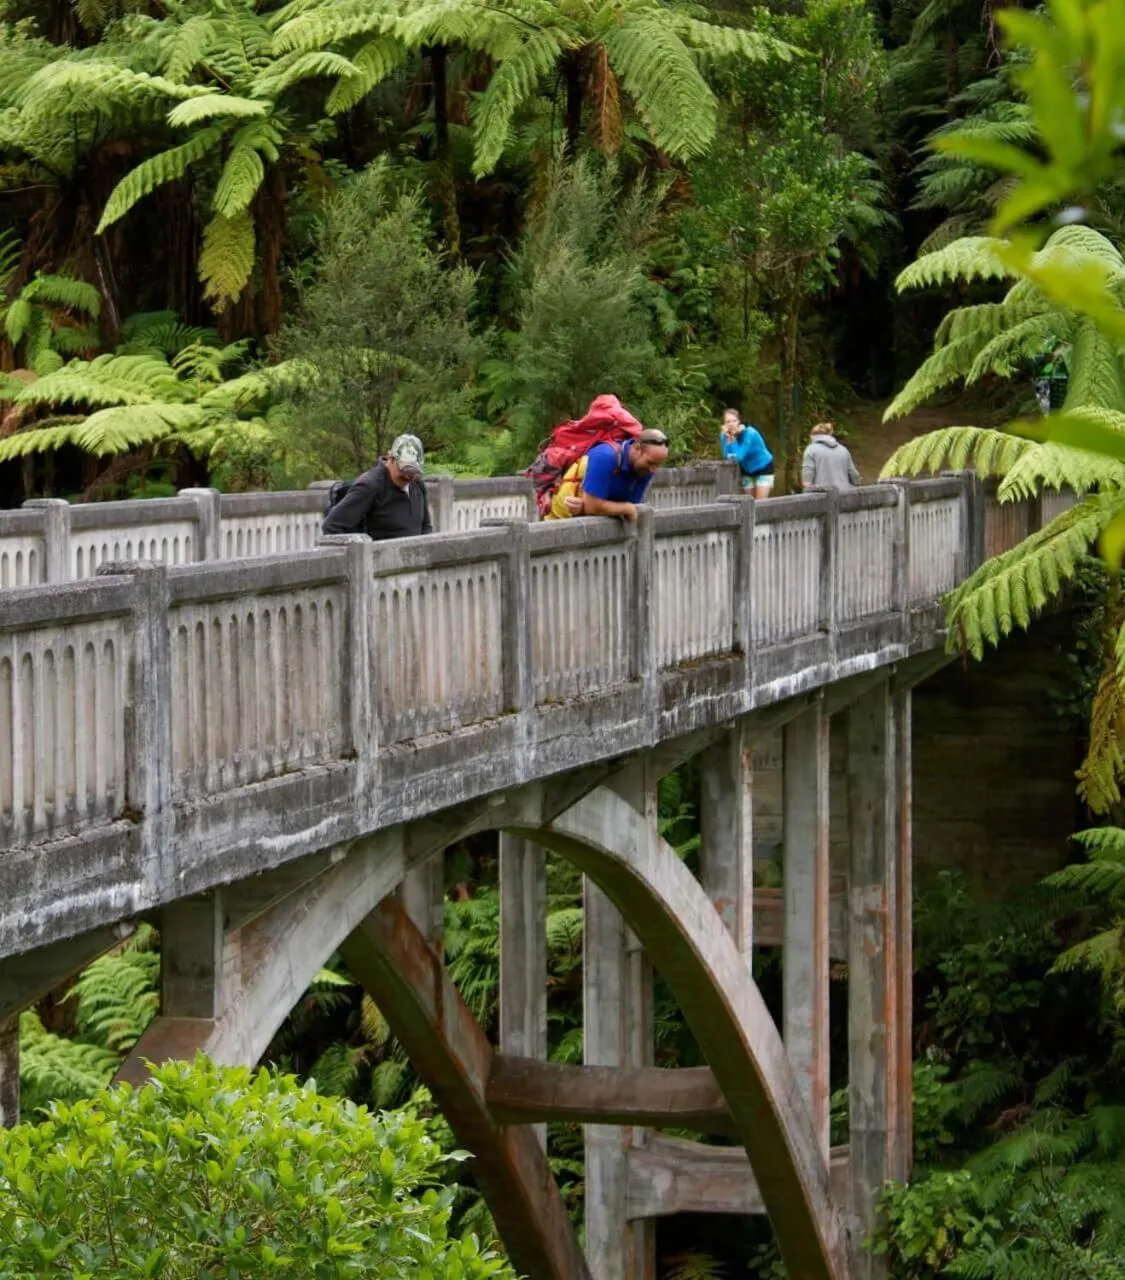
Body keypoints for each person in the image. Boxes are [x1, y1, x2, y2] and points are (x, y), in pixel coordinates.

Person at [323, 434, 433, 539]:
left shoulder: (418, 485)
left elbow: (425, 527)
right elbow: (332, 526)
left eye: (414, 472)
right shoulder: (369, 486)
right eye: (404, 470)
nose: (408, 476)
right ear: (391, 458)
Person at [560, 427, 670, 521]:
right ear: (637, 449)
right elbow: (592, 507)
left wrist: (585, 508)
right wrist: (626, 508)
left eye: (658, 464)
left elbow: (630, 512)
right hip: (561, 520)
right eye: (650, 463)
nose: (653, 469)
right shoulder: (605, 457)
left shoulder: (645, 469)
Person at [719, 408, 774, 498]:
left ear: (739, 422)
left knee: (760, 503)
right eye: (728, 422)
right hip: (747, 470)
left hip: (763, 467)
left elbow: (739, 457)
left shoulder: (749, 433)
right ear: (724, 424)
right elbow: (726, 456)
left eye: (734, 421)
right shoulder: (724, 435)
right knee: (749, 502)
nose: (731, 424)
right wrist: (728, 439)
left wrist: (734, 439)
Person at [801, 422, 861, 492]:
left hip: (822, 496)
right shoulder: (843, 449)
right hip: (844, 495)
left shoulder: (810, 450)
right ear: (830, 435)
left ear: (812, 436)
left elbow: (807, 480)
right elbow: (855, 477)